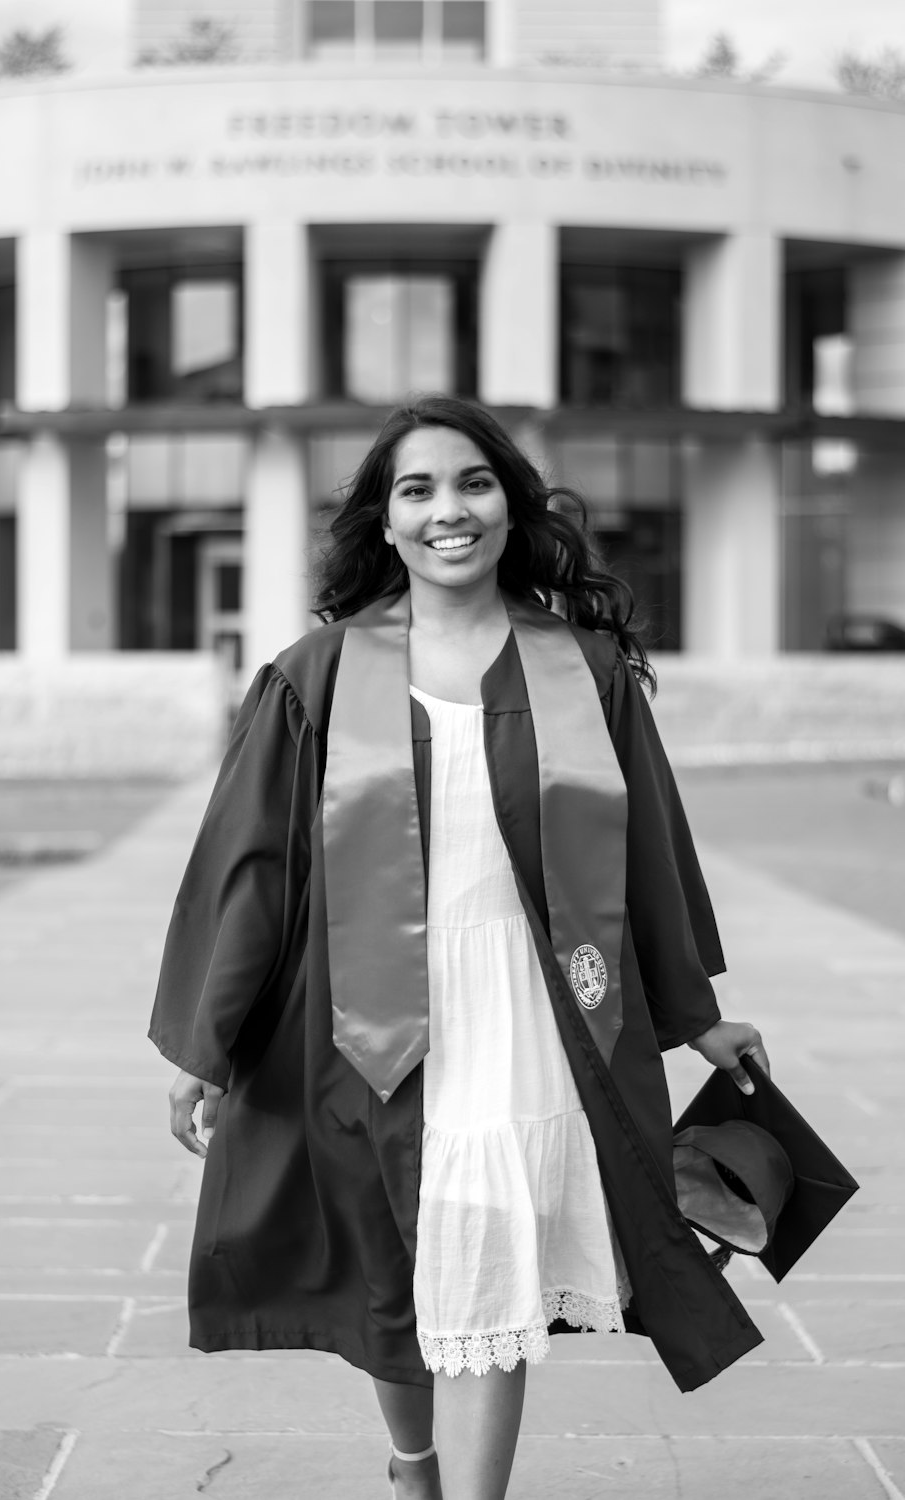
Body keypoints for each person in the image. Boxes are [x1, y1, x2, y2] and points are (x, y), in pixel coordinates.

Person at [150, 394, 771, 1500]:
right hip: (362, 1006)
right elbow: (252, 870)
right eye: (417, 489)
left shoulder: (582, 670)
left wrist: (692, 1014)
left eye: (474, 483)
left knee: (486, 1256)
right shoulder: (319, 677)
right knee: (398, 1258)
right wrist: (208, 1042)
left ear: (509, 506)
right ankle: (413, 1463)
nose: (449, 509)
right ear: (382, 524)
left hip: (528, 1007)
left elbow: (649, 862)